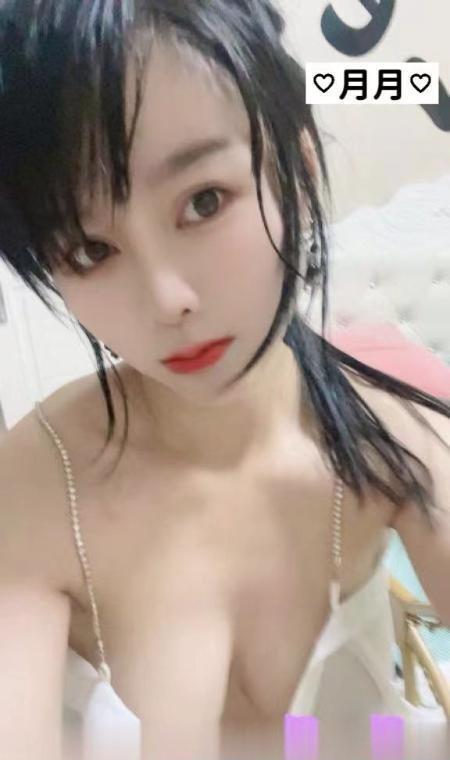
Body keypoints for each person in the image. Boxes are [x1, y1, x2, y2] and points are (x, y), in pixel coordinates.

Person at [0, 1, 449, 759]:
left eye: (204, 202)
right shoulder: (39, 490)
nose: (167, 298)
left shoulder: (395, 440)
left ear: (297, 168)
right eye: (89, 251)